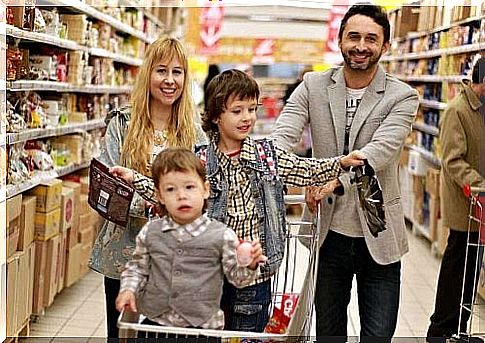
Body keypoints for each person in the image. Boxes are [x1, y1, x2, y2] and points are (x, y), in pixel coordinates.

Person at [110, 69, 366, 332]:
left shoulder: (267, 155)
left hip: (255, 276)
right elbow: (169, 191)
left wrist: (341, 164)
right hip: (208, 277)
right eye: (237, 111)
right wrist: (134, 178)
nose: (247, 118)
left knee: (247, 335)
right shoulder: (200, 159)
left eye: (251, 109)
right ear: (216, 115)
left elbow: (303, 168)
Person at [271, 4, 419, 342]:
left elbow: (381, 150)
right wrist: (283, 167)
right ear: (340, 41)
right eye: (353, 36)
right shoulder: (313, 85)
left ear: (385, 46)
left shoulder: (402, 96)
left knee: (379, 333)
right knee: (329, 332)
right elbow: (284, 134)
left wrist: (333, 177)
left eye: (371, 38)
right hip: (329, 232)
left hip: (379, 234)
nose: (361, 46)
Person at [88, 37, 208, 338]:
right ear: (148, 75)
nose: (169, 80)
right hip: (123, 249)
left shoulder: (194, 133)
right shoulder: (122, 124)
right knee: (121, 334)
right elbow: (108, 186)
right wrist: (162, 204)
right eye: (161, 70)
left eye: (177, 72)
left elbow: (204, 190)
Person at [115, 148, 265, 334]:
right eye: (170, 189)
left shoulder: (222, 235)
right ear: (160, 196)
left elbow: (237, 279)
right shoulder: (150, 232)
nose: (181, 195)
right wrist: (128, 290)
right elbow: (137, 268)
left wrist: (249, 265)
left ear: (205, 190)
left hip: (203, 328)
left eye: (189, 187)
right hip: (156, 325)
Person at [426, 57, 485, 342]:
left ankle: (457, 330)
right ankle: (440, 331)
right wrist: (481, 185)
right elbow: (452, 160)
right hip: (466, 206)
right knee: (456, 271)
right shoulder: (458, 110)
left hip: (480, 208)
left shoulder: (481, 110)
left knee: (469, 274)